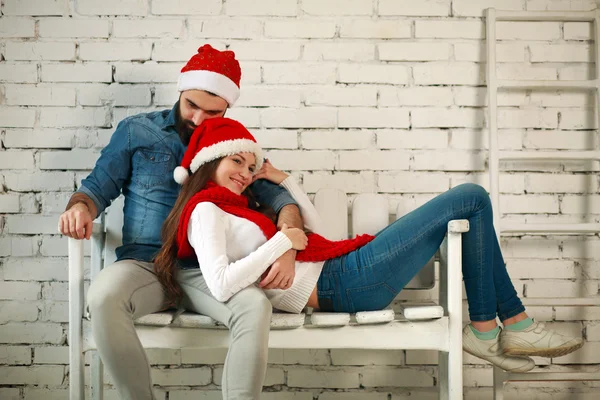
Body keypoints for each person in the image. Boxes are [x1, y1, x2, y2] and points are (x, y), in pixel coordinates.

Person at [155, 116, 585, 376]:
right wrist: (282, 242)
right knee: (472, 198)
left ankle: (501, 329)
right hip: (345, 285)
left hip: (345, 269)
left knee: (472, 211)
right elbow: (220, 283)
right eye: (237, 162)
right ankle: (499, 329)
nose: (247, 173)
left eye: (251, 166)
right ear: (210, 159)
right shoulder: (204, 212)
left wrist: (285, 183)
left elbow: (318, 235)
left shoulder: (243, 207)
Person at [58, 45, 302, 400]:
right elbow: (96, 188)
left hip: (208, 270)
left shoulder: (232, 143)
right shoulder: (137, 131)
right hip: (146, 264)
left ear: (228, 108)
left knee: (254, 306)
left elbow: (282, 200)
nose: (200, 118)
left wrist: (288, 246)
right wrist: (81, 207)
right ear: (181, 91)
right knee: (103, 296)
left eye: (213, 111)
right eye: (192, 105)